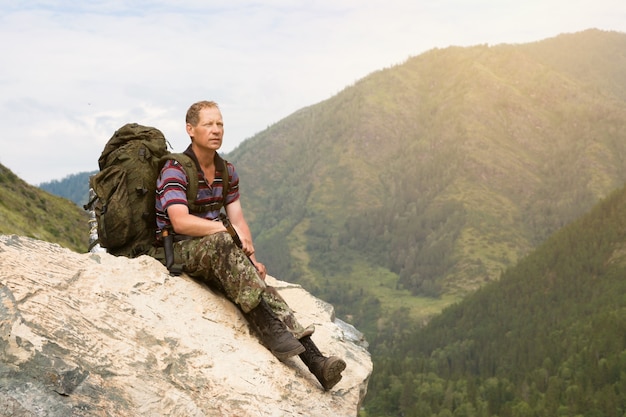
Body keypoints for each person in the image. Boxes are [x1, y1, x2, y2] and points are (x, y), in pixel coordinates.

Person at [151, 100, 346, 390]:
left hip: (218, 251)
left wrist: (250, 255)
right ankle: (270, 330)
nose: (216, 130)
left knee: (253, 276)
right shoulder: (175, 169)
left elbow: (238, 221)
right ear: (190, 130)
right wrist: (227, 234)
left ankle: (316, 361)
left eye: (220, 124)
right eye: (208, 124)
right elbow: (180, 222)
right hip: (177, 250)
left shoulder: (226, 171)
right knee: (222, 243)